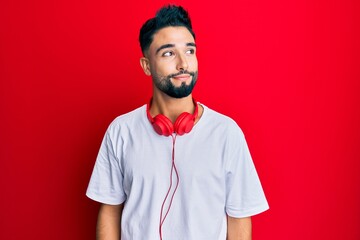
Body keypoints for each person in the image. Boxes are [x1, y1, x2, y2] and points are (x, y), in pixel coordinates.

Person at [86, 5, 269, 240]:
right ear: (146, 65)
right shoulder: (120, 131)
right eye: (168, 53)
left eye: (190, 51)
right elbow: (110, 211)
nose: (184, 63)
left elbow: (239, 217)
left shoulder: (226, 133)